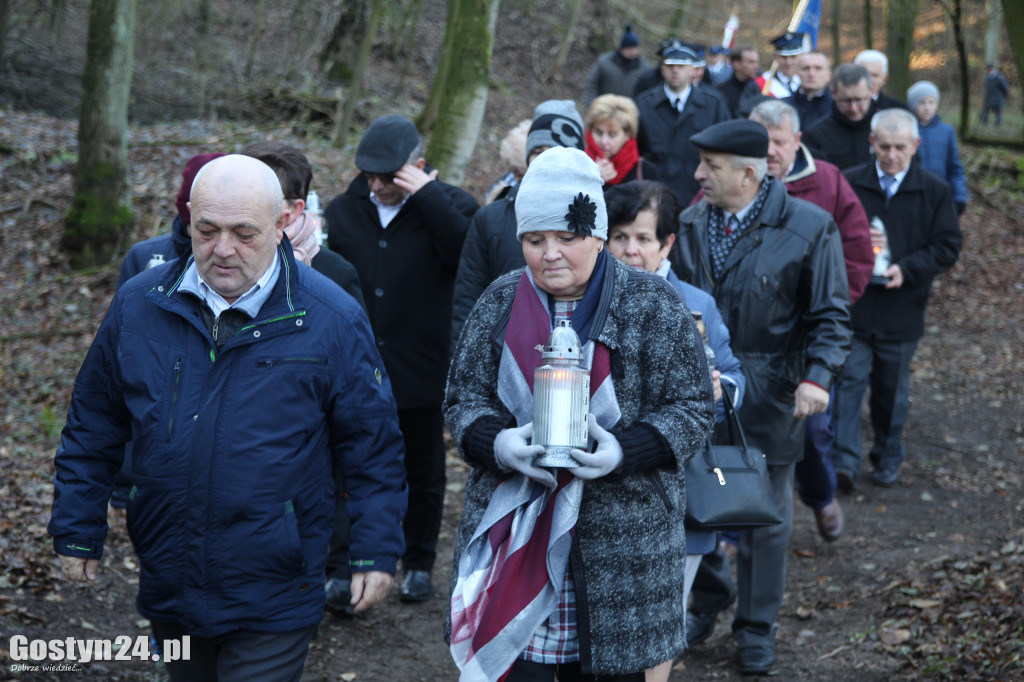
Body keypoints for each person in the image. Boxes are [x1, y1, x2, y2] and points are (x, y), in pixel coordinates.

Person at [48, 154, 408, 681]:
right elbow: (94, 422)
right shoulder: (139, 305)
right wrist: (78, 525)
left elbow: (371, 443)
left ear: (284, 223)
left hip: (277, 584)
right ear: (188, 217)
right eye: (207, 230)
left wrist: (375, 549)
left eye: (244, 233)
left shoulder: (330, 318)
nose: (222, 249)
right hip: (169, 573)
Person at [444, 147, 715, 681]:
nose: (549, 254)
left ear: (596, 233)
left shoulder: (653, 304)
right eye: (534, 239)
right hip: (512, 539)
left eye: (566, 238)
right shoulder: (500, 300)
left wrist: (625, 449)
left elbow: (693, 407)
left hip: (625, 550)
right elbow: (462, 399)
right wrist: (498, 443)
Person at [673, 119, 851, 675]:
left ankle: (756, 628)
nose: (698, 174)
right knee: (685, 504)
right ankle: (708, 595)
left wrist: (816, 376)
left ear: (749, 173)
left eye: (711, 166)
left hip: (772, 396)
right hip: (695, 393)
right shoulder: (688, 221)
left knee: (765, 519)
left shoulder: (809, 226)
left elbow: (830, 314)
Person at [325, 114, 479, 603]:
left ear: (416, 165)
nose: (376, 185)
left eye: (388, 176)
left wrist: (426, 197)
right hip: (357, 365)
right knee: (348, 470)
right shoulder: (342, 211)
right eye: (369, 174)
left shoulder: (450, 204)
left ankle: (418, 561)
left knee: (423, 470)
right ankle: (342, 565)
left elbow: (465, 255)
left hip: (422, 364)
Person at [604, 181, 745, 666]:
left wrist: (718, 390)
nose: (631, 250)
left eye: (643, 238)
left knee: (665, 616)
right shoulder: (590, 300)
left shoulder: (696, 304)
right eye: (620, 237)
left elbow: (734, 377)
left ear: (666, 242)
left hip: (681, 487)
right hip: (608, 483)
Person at [749, 99, 874, 542]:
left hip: (806, 339)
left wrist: (830, 309)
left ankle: (820, 497)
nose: (768, 153)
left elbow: (859, 254)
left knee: (815, 429)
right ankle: (729, 529)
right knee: (733, 431)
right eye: (759, 143)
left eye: (777, 143)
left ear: (796, 141)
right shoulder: (731, 182)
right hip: (745, 340)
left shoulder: (828, 182)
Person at [833, 109, 963, 491]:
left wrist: (908, 269)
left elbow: (948, 246)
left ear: (915, 146)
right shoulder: (850, 183)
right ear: (871, 144)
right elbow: (830, 234)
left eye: (900, 148)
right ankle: (844, 462)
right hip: (855, 306)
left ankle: (887, 456)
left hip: (902, 309)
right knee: (849, 385)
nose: (891, 155)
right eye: (884, 147)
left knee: (892, 394)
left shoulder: (934, 190)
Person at [108, 152, 225, 510]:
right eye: (201, 228)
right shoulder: (146, 258)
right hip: (150, 451)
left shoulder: (241, 266)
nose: (217, 246)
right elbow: (117, 366)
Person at [451, 100, 585, 349]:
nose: (544, 160)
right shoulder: (491, 219)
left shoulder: (596, 219)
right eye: (537, 151)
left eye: (556, 151)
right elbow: (467, 301)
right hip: (503, 358)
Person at [240, 141, 364, 307]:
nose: (243, 206)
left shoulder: (335, 274)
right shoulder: (213, 259)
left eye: (262, 199)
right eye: (238, 195)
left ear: (294, 209)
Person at [636, 40, 730, 206]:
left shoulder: (712, 105)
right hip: (653, 197)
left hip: (698, 196)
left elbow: (725, 150)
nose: (675, 71)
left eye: (681, 66)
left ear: (693, 69)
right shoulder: (643, 105)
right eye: (671, 66)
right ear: (662, 68)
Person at [907, 81, 967, 216]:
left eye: (931, 102)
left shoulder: (946, 132)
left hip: (941, 197)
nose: (927, 107)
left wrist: (959, 197)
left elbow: (955, 168)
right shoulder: (907, 131)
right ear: (913, 105)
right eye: (921, 103)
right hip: (914, 197)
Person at [803, 63, 878, 170]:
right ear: (834, 93)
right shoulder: (815, 135)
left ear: (871, 91)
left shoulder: (887, 129)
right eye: (846, 101)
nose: (853, 108)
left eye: (859, 100)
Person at [584, 94, 658, 187]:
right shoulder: (578, 164)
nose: (604, 141)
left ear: (627, 134)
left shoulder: (645, 171)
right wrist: (592, 179)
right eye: (599, 133)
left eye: (612, 135)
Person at [584, 24, 652, 105]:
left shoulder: (644, 68)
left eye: (635, 48)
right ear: (622, 48)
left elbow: (648, 92)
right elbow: (592, 85)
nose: (633, 52)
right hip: (605, 110)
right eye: (629, 49)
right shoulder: (604, 62)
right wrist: (591, 104)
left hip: (631, 113)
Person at [782, 50, 834, 129]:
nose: (811, 74)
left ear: (829, 75)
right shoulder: (783, 106)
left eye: (818, 68)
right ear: (797, 73)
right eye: (806, 68)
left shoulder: (838, 107)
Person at [715, 46, 762, 117]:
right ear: (736, 64)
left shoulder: (760, 88)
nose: (756, 66)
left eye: (756, 62)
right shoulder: (721, 92)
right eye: (751, 62)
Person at [755, 32, 805, 97]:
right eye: (783, 57)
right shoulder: (760, 84)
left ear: (802, 56)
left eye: (793, 57)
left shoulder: (807, 82)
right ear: (775, 56)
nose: (788, 62)